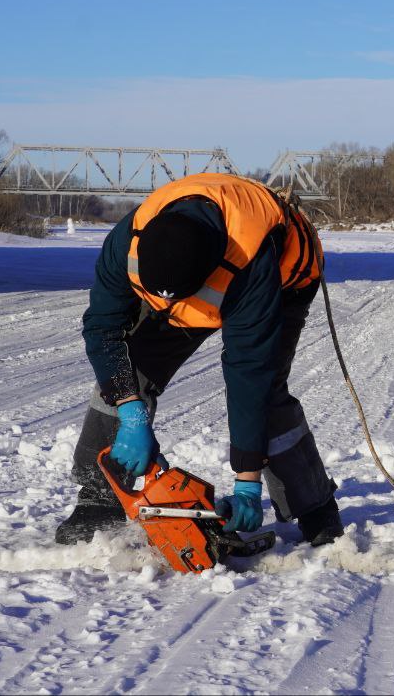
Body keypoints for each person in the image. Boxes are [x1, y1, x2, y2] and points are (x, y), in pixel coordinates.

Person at [55, 172, 344, 545]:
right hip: (196, 277)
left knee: (265, 396)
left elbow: (247, 374)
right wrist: (130, 408)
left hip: (282, 283)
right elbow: (103, 330)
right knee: (127, 371)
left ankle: (315, 507)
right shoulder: (127, 240)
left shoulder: (251, 263)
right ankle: (98, 499)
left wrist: (247, 482)